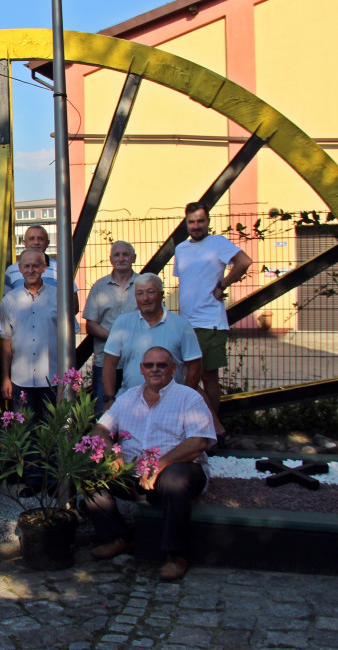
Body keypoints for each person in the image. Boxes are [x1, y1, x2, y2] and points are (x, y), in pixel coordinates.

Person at [84, 346, 216, 582]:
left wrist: (160, 464)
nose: (155, 369)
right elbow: (100, 429)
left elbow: (199, 442)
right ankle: (118, 537)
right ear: (141, 370)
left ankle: (176, 555)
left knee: (174, 480)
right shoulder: (128, 398)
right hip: (134, 472)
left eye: (162, 365)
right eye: (149, 365)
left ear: (173, 369)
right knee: (89, 470)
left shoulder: (189, 398)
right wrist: (112, 455)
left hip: (178, 470)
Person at [174, 202, 252, 440]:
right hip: (187, 322)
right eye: (191, 222)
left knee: (208, 377)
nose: (196, 226)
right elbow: (187, 281)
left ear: (208, 221)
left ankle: (211, 431)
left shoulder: (217, 243)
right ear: (186, 223)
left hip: (210, 322)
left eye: (200, 221)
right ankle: (206, 427)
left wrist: (223, 285)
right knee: (184, 375)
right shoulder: (180, 248)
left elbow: (244, 261)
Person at [102, 274, 202, 407]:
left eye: (150, 292)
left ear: (161, 295)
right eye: (140, 293)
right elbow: (109, 364)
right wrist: (109, 399)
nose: (145, 298)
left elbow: (195, 367)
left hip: (170, 404)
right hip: (130, 403)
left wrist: (183, 401)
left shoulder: (181, 326)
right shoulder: (122, 323)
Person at [0, 249, 57, 424]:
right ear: (20, 268)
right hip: (20, 380)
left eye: (35, 266)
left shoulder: (59, 297)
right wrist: (5, 378)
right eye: (26, 266)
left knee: (52, 434)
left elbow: (67, 340)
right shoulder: (9, 300)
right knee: (25, 435)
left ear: (44, 268)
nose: (31, 270)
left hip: (52, 379)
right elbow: (6, 341)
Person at [83, 242, 139, 412]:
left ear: (133, 258)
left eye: (125, 254)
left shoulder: (143, 285)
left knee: (135, 411)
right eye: (117, 255)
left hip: (137, 360)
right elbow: (90, 325)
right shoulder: (99, 287)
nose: (121, 258)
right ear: (110, 259)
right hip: (105, 361)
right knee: (104, 412)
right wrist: (116, 339)